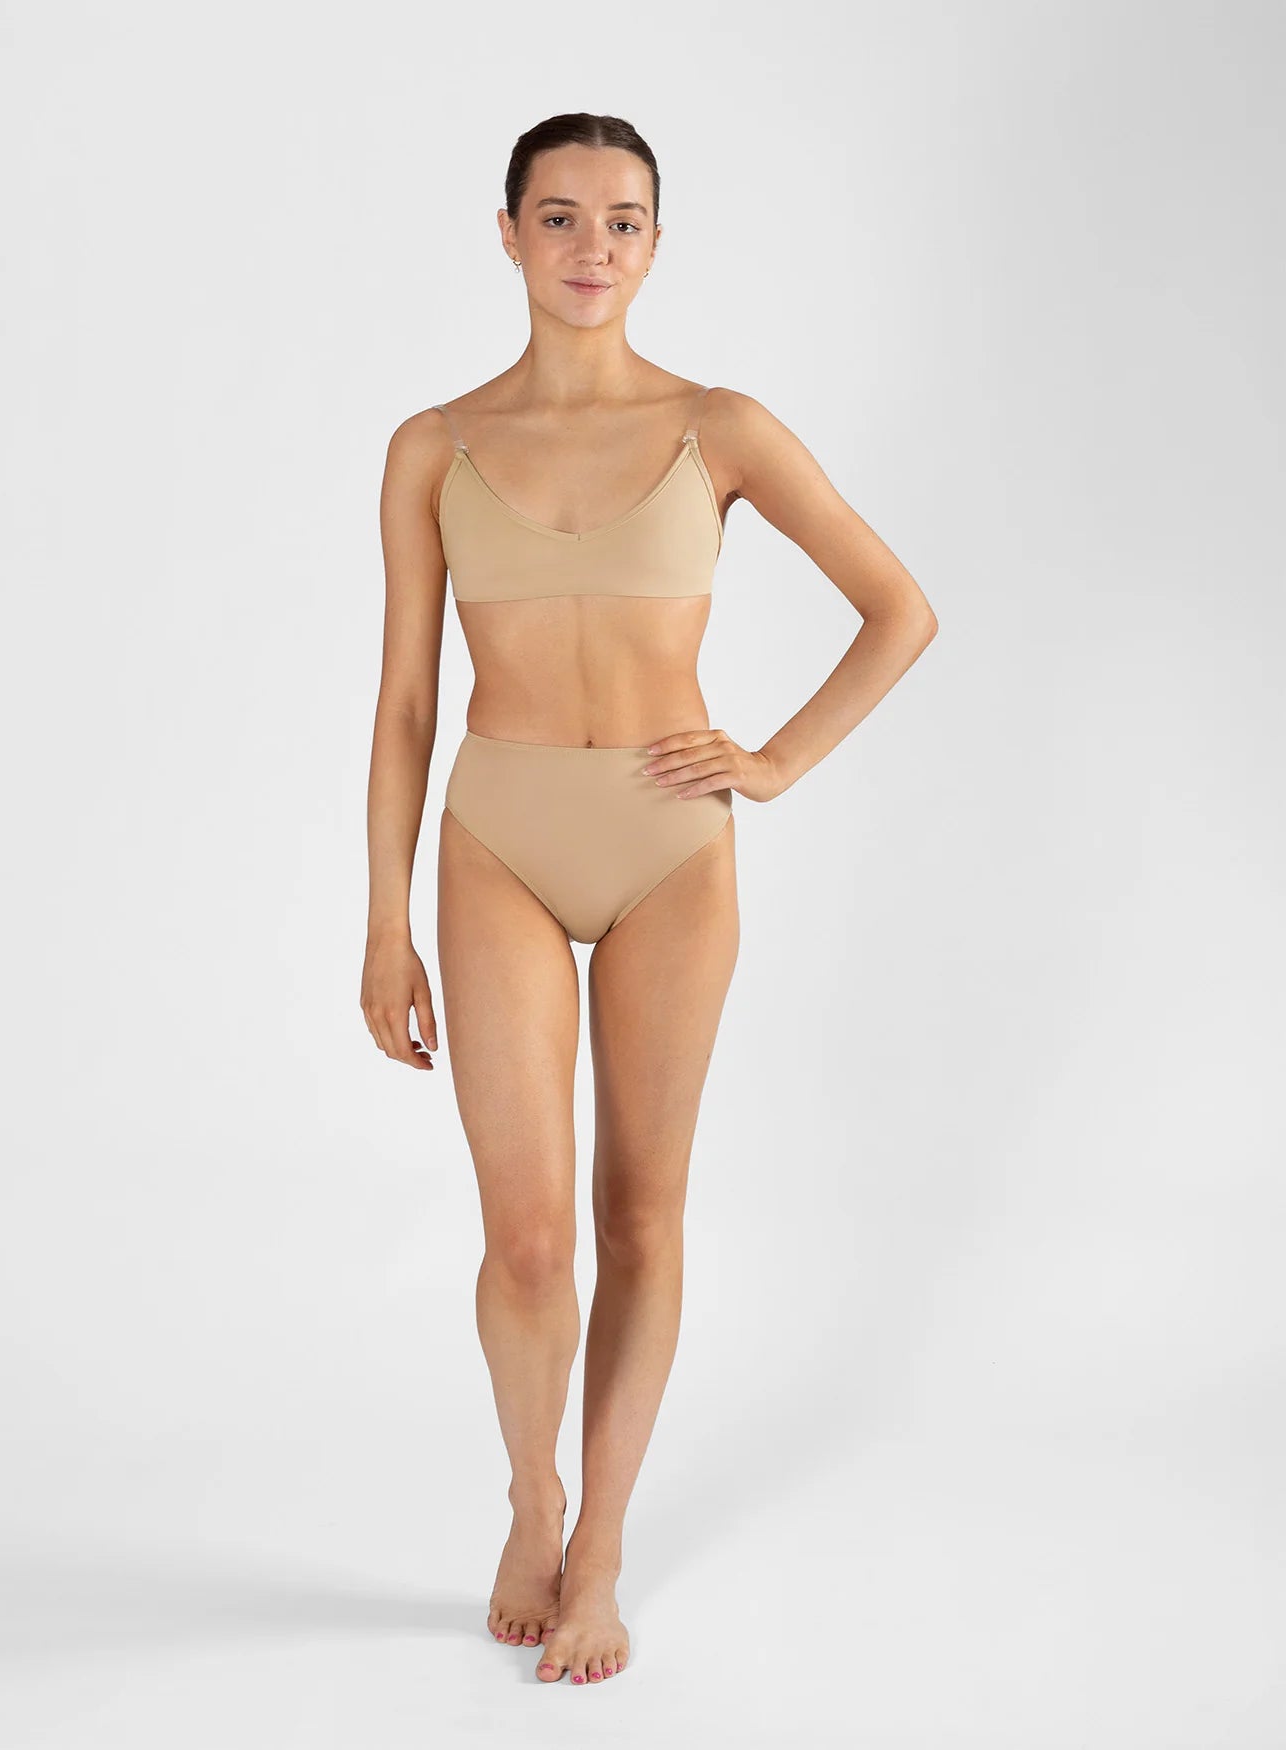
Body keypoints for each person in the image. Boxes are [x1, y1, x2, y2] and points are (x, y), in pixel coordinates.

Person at [361, 111, 938, 1688]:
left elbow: (899, 607)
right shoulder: (433, 444)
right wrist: (384, 919)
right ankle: (530, 1493)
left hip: (671, 843)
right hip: (498, 833)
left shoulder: (717, 425)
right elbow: (406, 701)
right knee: (529, 1239)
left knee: (640, 1213)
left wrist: (777, 760)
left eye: (623, 220)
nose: (591, 246)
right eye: (559, 216)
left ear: (657, 245)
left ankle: (601, 1543)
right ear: (507, 234)